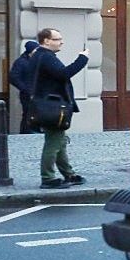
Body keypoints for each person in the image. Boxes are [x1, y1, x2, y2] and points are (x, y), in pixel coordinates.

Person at [29, 28, 87, 189]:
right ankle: (47, 178)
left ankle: (69, 174)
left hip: (49, 106)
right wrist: (82, 59)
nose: (61, 42)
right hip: (52, 107)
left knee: (59, 141)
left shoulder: (40, 56)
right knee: (53, 143)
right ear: (46, 41)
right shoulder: (46, 57)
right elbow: (64, 74)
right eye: (57, 39)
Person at [7, 36, 40, 134]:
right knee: (28, 114)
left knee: (37, 113)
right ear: (30, 51)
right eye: (36, 50)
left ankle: (34, 131)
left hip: (38, 93)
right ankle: (26, 133)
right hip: (27, 94)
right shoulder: (21, 62)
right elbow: (13, 78)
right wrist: (25, 89)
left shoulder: (37, 60)